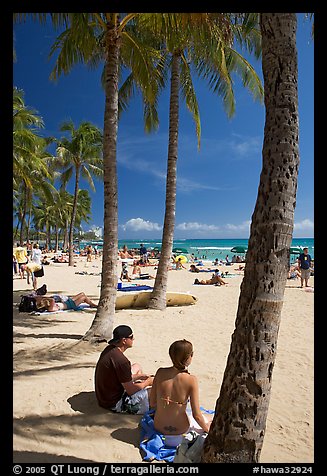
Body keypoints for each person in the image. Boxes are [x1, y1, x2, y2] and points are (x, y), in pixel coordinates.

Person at [149, 339, 211, 445]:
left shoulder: (160, 372)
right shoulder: (191, 380)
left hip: (158, 426)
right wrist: (208, 430)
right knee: (209, 418)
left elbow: (152, 403)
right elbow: (197, 416)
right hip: (180, 430)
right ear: (189, 357)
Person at [95, 325, 154, 414]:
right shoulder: (122, 361)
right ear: (124, 340)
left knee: (137, 366)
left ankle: (140, 393)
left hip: (104, 397)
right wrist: (147, 382)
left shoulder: (110, 349)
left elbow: (119, 376)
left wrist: (139, 376)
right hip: (115, 403)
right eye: (131, 337)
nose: (133, 339)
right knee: (154, 390)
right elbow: (131, 391)